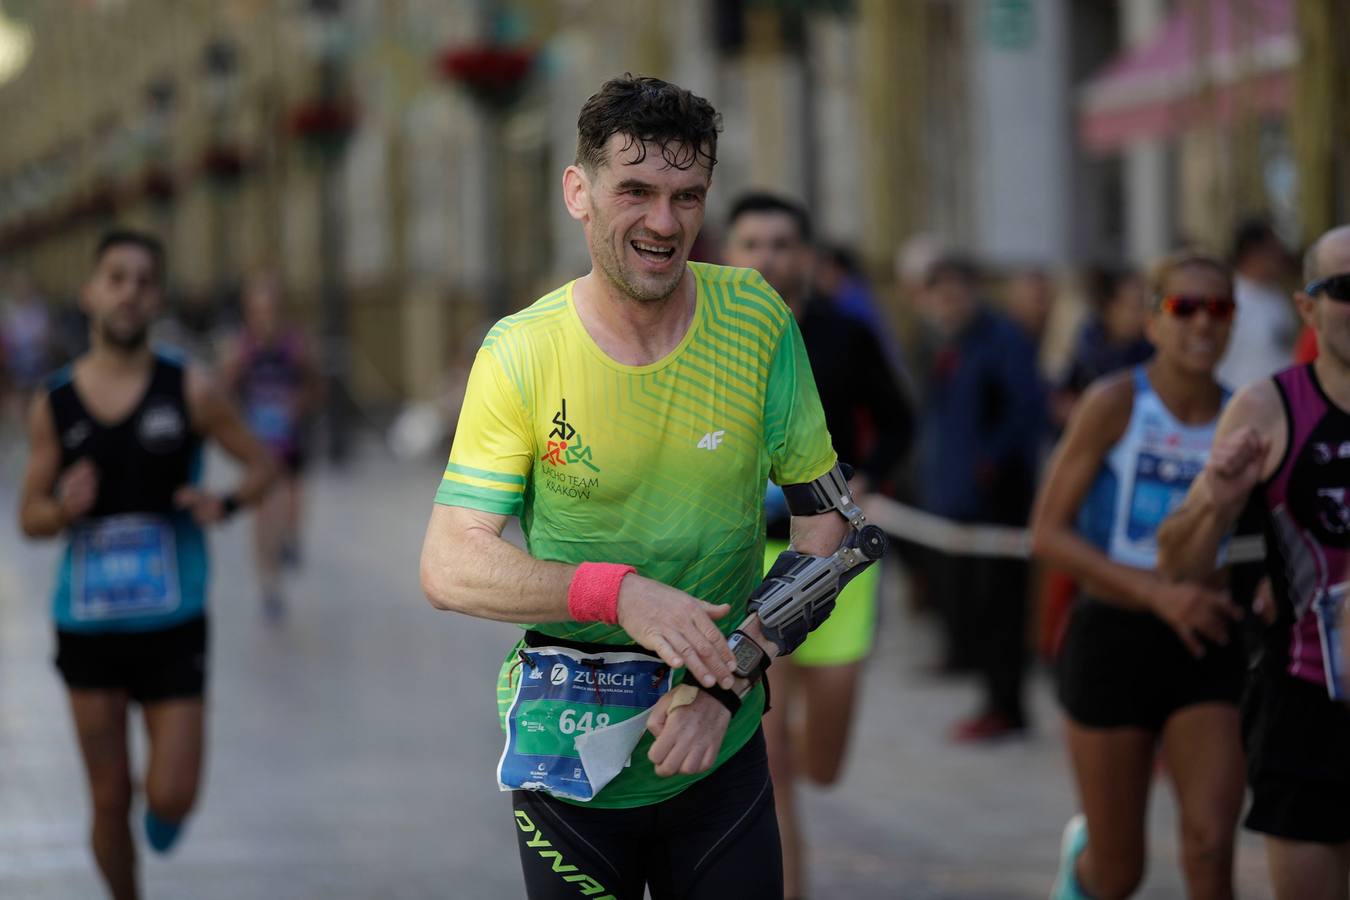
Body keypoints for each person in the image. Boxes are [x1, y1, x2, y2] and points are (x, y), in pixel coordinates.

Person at [419, 76, 867, 900]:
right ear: (578, 192)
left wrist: (725, 678)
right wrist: (618, 596)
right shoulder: (520, 352)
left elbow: (829, 526)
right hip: (569, 766)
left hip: (718, 742)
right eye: (637, 191)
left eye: (687, 196)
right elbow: (449, 565)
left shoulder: (757, 319)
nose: (665, 224)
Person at [16, 230, 275, 900]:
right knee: (107, 801)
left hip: (172, 621)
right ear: (91, 293)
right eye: (116, 277)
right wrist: (62, 509)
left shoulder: (190, 389)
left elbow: (263, 464)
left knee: (172, 796)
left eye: (143, 280)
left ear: (156, 297)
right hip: (88, 625)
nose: (129, 291)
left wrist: (224, 502)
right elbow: (28, 516)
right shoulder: (54, 402)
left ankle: (162, 808)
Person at [1032, 250, 1245, 900]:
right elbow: (1046, 532)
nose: (1202, 324)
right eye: (1184, 307)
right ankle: (1083, 862)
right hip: (1112, 638)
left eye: (1219, 308)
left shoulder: (1247, 413)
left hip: (1205, 640)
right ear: (1153, 320)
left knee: (1211, 850)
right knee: (1121, 873)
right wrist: (1157, 593)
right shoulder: (1115, 402)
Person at [722, 191, 913, 899]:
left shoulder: (845, 335)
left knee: (821, 764)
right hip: (747, 564)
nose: (766, 257)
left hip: (834, 562)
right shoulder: (707, 339)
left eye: (780, 243)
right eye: (751, 243)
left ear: (804, 256)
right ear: (730, 254)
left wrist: (859, 481)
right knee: (771, 772)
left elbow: (900, 420)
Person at [1157, 225, 1350, 900]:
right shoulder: (1268, 408)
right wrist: (1217, 495)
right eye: (1345, 290)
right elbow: (1177, 561)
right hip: (1304, 703)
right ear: (1307, 308)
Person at [915, 255, 1045, 740]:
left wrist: (988, 467)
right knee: (974, 605)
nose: (945, 305)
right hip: (957, 503)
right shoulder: (946, 344)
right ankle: (992, 697)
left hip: (999, 503)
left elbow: (1023, 412)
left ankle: (1007, 705)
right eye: (937, 297)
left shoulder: (1001, 339)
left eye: (953, 294)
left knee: (1001, 608)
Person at [220, 271, 322, 619]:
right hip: (259, 443)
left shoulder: (295, 344)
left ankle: (291, 539)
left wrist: (298, 405)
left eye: (271, 310)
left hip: (289, 437)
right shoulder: (241, 346)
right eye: (257, 311)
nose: (264, 318)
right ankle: (269, 585)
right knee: (261, 511)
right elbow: (224, 390)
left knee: (292, 497)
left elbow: (314, 384)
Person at [1216, 217, 1297, 390]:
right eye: (1273, 249)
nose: (1280, 256)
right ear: (1253, 253)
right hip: (1240, 398)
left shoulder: (1276, 295)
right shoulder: (1227, 297)